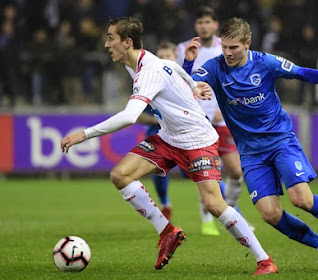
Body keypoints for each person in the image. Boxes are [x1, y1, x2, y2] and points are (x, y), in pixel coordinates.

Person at [60, 16, 277, 275]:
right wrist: (194, 84)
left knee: (214, 205)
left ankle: (265, 260)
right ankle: (167, 231)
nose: (106, 44)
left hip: (197, 139)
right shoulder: (140, 62)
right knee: (120, 174)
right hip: (169, 137)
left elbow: (130, 116)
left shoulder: (147, 71)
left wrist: (84, 135)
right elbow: (171, 66)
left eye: (110, 38)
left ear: (127, 42)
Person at [183, 17, 318, 271]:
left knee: (302, 200)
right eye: (224, 47)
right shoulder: (215, 67)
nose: (227, 53)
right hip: (250, 153)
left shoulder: (265, 62)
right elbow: (189, 81)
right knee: (270, 214)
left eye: (234, 47)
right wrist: (190, 66)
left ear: (247, 43)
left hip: (280, 141)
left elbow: (301, 72)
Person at [176, 6, 250, 236]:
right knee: (207, 173)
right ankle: (208, 219)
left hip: (222, 118)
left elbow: (237, 77)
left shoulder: (227, 46)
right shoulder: (184, 49)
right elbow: (180, 81)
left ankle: (231, 209)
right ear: (195, 25)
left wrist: (223, 106)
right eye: (200, 22)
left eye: (208, 22)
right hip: (197, 121)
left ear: (215, 25)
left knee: (236, 171)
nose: (204, 26)